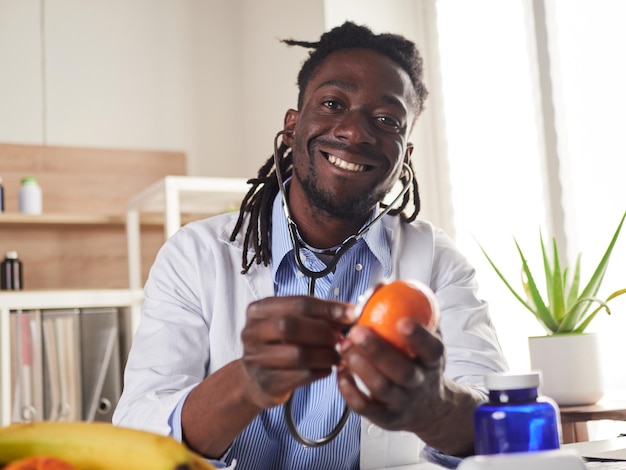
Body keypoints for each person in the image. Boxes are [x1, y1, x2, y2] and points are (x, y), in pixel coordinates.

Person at [112, 21, 507, 470]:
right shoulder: (193, 256)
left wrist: (435, 407)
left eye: (386, 120)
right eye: (333, 103)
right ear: (293, 125)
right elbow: (134, 439)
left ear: (405, 156)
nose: (355, 132)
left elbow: (499, 421)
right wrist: (245, 384)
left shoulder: (438, 263)